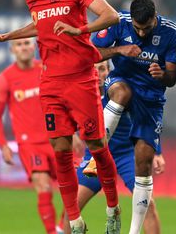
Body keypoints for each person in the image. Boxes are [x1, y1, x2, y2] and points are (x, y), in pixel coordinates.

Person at [0, 0, 122, 234]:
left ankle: (113, 208)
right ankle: (75, 222)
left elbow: (111, 16)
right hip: (51, 82)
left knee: (97, 146)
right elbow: (40, 25)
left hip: (81, 79)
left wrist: (78, 30)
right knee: (61, 150)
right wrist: (6, 37)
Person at [90, 0, 176, 234]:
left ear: (155, 18)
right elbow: (91, 53)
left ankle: (133, 231)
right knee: (122, 93)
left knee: (143, 166)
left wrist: (162, 74)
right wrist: (120, 49)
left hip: (151, 99)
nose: (141, 34)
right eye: (137, 28)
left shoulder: (172, 33)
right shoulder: (117, 22)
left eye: (147, 28)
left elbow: (172, 78)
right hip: (121, 80)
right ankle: (97, 152)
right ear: (131, 20)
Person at [63, 60, 164, 234]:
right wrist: (71, 134)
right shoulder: (79, 94)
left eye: (102, 69)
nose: (97, 74)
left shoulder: (120, 90)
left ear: (109, 71)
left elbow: (146, 119)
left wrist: (157, 152)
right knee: (71, 208)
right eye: (92, 69)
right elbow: (65, 115)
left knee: (148, 205)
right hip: (94, 156)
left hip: (127, 155)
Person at [0, 38, 61, 234]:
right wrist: (3, 145)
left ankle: (65, 227)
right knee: (42, 185)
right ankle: (51, 232)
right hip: (29, 144)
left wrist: (74, 132)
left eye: (26, 43)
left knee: (74, 187)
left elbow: (63, 99)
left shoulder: (46, 69)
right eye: (19, 44)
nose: (23, 47)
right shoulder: (6, 78)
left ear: (34, 47)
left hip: (57, 139)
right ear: (12, 50)